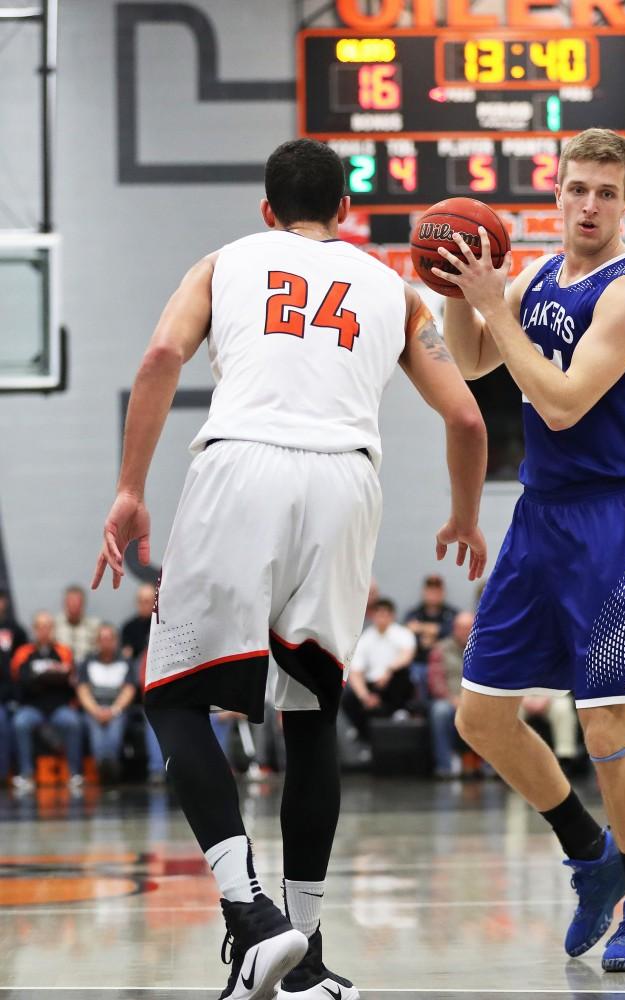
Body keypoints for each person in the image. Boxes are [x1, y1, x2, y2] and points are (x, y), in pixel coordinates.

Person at [92, 138, 487, 1000]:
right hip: (349, 480)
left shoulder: (225, 260)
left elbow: (160, 358)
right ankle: (303, 958)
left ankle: (251, 915)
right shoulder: (394, 287)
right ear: (344, 213)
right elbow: (464, 419)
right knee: (312, 712)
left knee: (171, 693)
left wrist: (130, 489)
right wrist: (462, 514)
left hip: (243, 467)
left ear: (266, 210)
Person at [435, 128, 625, 971]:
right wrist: (453, 285)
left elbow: (565, 404)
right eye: (576, 188)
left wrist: (494, 306)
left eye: (605, 193)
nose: (587, 204)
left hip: (611, 522)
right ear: (557, 190)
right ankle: (588, 850)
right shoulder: (536, 274)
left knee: (606, 723)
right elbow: (469, 359)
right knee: (480, 717)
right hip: (538, 517)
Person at [10, 611, 84, 792]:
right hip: (32, 707)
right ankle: (26, 774)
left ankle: (74, 773)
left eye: (48, 626)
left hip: (59, 707)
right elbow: (21, 681)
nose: (44, 631)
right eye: (40, 627)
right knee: (20, 722)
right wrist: (48, 678)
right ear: (34, 630)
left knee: (73, 722)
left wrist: (42, 678)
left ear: (53, 629)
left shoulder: (63, 651)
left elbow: (70, 681)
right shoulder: (23, 652)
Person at [341, 599, 416, 747]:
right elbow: (356, 671)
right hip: (373, 685)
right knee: (348, 698)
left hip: (394, 681)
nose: (382, 618)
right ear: (373, 616)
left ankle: (399, 711)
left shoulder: (403, 634)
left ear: (392, 616)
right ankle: (365, 738)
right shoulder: (365, 639)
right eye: (379, 614)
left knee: (402, 677)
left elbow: (407, 656)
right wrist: (365, 696)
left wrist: (389, 670)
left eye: (385, 614)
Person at [76, 623, 138, 782]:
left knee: (115, 726)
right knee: (96, 727)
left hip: (118, 708)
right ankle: (102, 766)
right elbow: (83, 690)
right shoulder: (88, 661)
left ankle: (110, 765)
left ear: (116, 640)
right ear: (97, 641)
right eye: (102, 638)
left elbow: (129, 690)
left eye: (109, 638)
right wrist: (96, 711)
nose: (106, 642)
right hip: (94, 708)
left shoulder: (125, 661)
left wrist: (114, 710)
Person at [427, 609, 474, 777]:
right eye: (461, 627)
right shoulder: (440, 649)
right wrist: (451, 698)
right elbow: (435, 681)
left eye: (469, 627)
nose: (465, 631)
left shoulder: (484, 648)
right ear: (454, 628)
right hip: (449, 699)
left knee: (493, 711)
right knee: (439, 711)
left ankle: (490, 766)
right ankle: (445, 766)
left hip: (478, 700)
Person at [403, 573, 458, 699]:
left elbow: (453, 633)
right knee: (416, 675)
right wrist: (434, 631)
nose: (433, 594)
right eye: (430, 590)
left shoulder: (451, 613)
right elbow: (408, 634)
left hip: (446, 663)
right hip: (420, 661)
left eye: (437, 590)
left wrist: (423, 629)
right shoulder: (414, 613)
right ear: (424, 591)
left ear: (443, 592)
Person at [0, 588, 27, 784]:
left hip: (14, 691)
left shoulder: (16, 630)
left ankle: (21, 773)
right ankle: (3, 774)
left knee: (19, 723)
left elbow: (23, 660)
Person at [55, 584, 101, 664]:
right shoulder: (54, 624)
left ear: (83, 604)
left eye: (77, 601)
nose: (74, 605)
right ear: (64, 603)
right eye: (71, 601)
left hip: (87, 668)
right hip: (60, 668)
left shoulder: (95, 626)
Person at [120, 583, 155, 661]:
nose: (142, 605)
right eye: (140, 601)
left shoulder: (161, 626)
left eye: (146, 601)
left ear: (154, 603)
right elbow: (126, 655)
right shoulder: (129, 628)